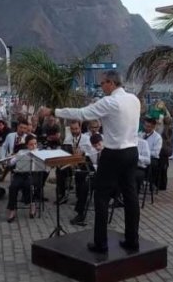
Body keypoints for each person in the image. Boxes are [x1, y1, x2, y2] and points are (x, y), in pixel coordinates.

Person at [40, 70, 141, 253]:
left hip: (114, 153)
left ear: (111, 83)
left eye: (102, 83)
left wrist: (53, 111)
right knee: (131, 196)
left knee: (101, 196)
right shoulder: (134, 99)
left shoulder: (110, 101)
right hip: (132, 151)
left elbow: (82, 113)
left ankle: (100, 243)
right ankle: (132, 240)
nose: (101, 87)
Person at [5, 134, 38, 222]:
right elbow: (11, 163)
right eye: (31, 144)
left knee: (28, 185)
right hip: (20, 174)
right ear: (27, 145)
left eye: (35, 144)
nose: (34, 146)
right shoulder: (21, 152)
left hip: (32, 175)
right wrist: (10, 159)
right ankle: (12, 209)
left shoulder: (39, 153)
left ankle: (32, 204)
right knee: (13, 186)